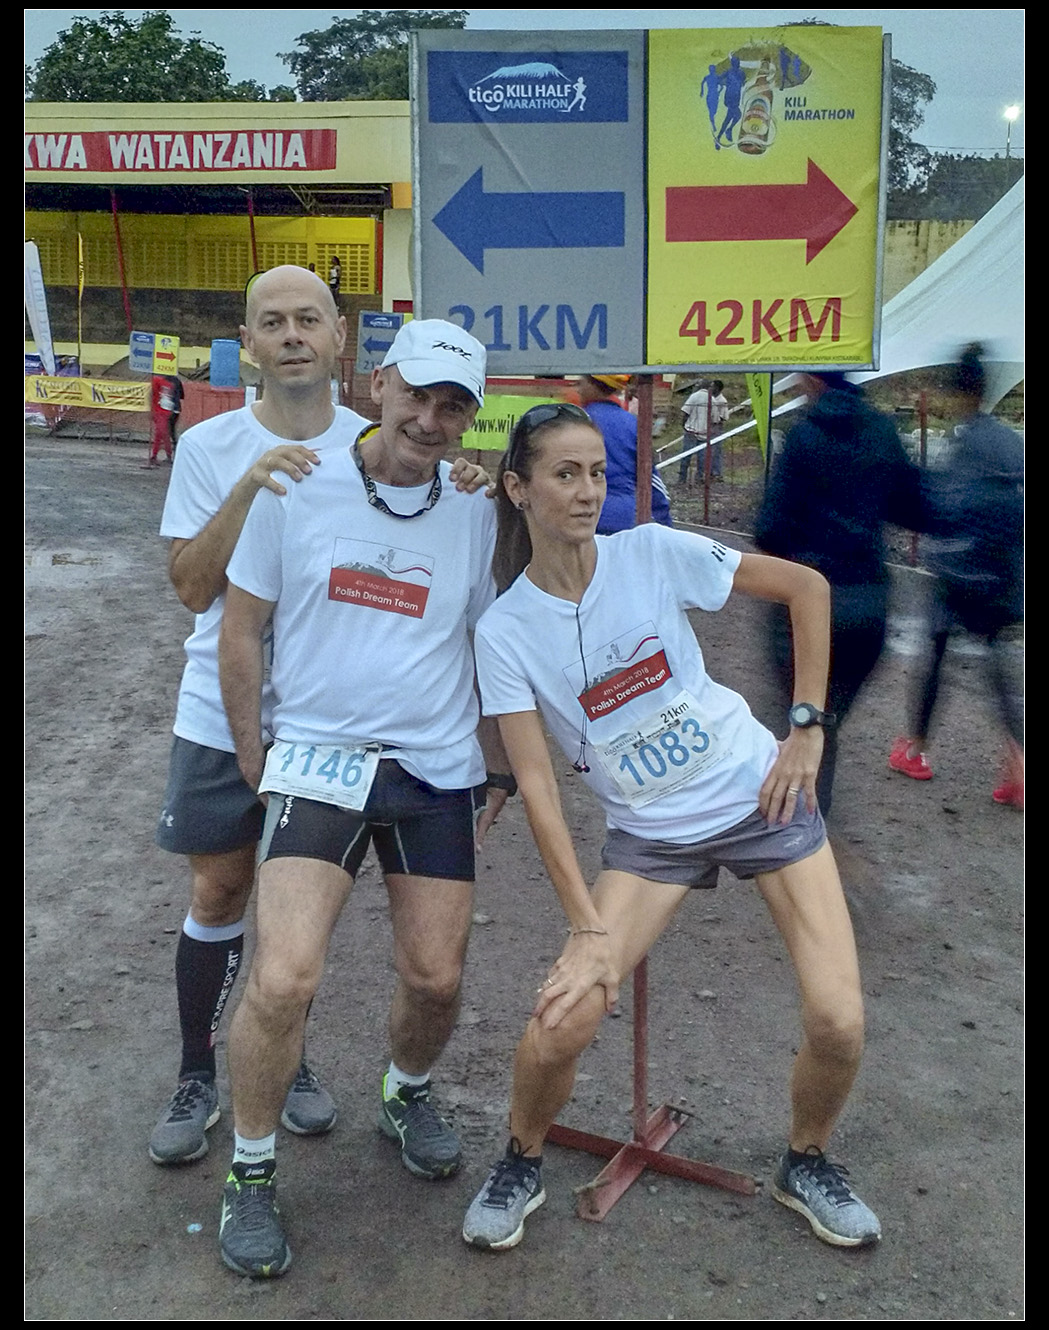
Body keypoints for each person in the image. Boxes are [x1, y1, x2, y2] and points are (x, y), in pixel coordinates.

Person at [461, 403, 880, 1254]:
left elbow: (806, 588)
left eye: (596, 473)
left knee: (839, 1019)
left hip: (759, 797)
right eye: (564, 475)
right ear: (518, 488)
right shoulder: (503, 630)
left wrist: (806, 727)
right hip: (650, 836)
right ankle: (519, 1158)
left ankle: (805, 1161)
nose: (587, 492)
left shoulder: (649, 552)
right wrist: (584, 927)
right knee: (561, 1018)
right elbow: (538, 785)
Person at [215, 317, 514, 1278]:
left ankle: (405, 1090)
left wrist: (498, 764)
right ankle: (250, 1171)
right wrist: (254, 754)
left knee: (435, 978)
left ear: (469, 418)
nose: (430, 420)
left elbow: (490, 643)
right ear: (378, 382)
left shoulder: (473, 507)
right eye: (417, 395)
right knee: (283, 978)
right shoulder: (296, 485)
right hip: (317, 760)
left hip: (432, 768)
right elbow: (241, 626)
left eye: (453, 407)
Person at [150, 266, 349, 1166]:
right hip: (214, 712)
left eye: (309, 319)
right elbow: (192, 590)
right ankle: (196, 1072)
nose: (293, 335)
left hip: (324, 721)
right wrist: (247, 488)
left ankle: (285, 1060)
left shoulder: (371, 445)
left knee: (296, 913)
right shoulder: (209, 445)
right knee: (219, 893)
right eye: (274, 323)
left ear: (338, 336)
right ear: (249, 345)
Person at [754, 372, 925, 818]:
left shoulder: (802, 436)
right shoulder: (883, 430)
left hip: (807, 608)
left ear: (811, 378)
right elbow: (916, 507)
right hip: (868, 608)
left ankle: (802, 829)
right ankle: (810, 816)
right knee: (825, 722)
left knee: (805, 721)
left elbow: (769, 528)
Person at [888, 344, 1024, 807]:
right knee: (997, 661)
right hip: (1004, 573)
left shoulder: (964, 444)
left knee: (935, 653)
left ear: (960, 394)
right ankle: (1018, 757)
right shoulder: (1009, 440)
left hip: (960, 572)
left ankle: (915, 750)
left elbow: (947, 506)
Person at [576, 374, 672, 532]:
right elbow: (650, 477)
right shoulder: (634, 424)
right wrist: (665, 523)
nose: (578, 389)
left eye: (581, 383)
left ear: (594, 385)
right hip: (620, 516)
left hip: (578, 511)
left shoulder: (574, 422)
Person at [678, 379, 711, 486]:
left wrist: (683, 425)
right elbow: (715, 418)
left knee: (686, 456)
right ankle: (699, 478)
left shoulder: (694, 396)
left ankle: (682, 478)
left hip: (691, 431)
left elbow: (685, 412)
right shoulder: (712, 399)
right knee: (702, 458)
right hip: (705, 432)